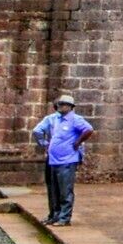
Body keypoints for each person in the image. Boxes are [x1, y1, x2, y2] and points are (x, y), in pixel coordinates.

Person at [31, 93, 94, 227]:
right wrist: (44, 143)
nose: (61, 106)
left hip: (67, 159)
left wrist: (78, 142)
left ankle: (64, 217)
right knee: (53, 189)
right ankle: (54, 215)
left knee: (65, 189)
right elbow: (37, 131)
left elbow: (88, 130)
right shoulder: (53, 119)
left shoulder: (75, 119)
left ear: (71, 107)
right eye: (59, 104)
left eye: (64, 104)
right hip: (53, 159)